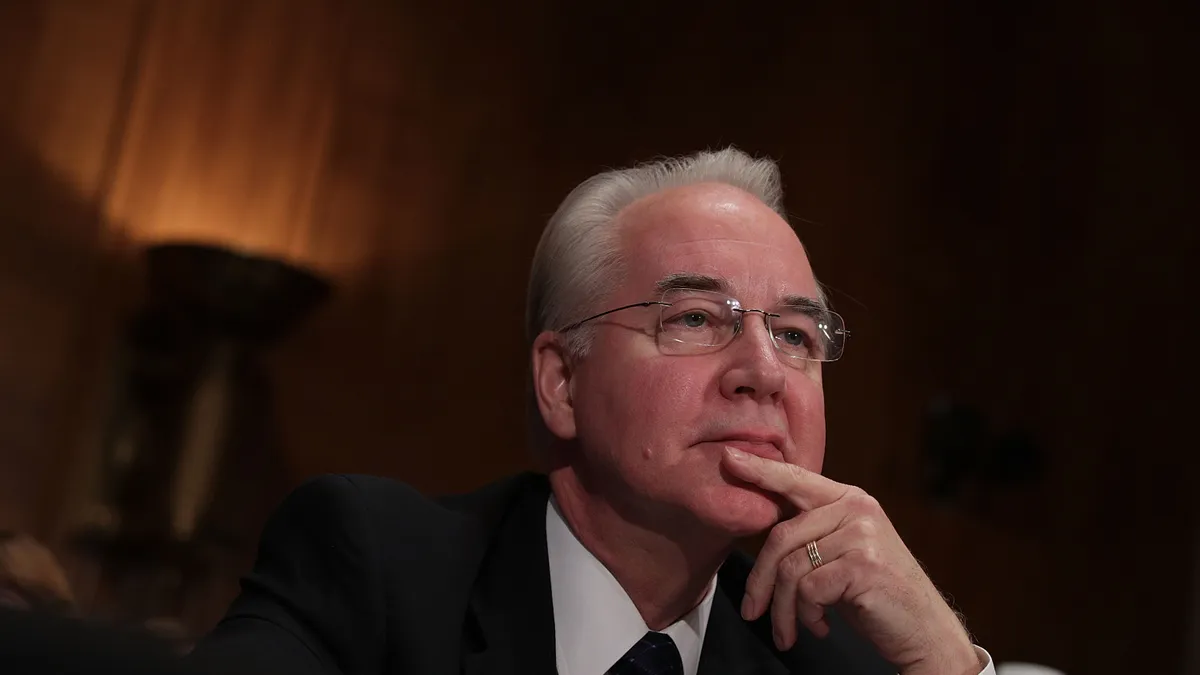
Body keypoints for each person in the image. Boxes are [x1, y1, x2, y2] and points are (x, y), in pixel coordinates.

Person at [189, 148, 995, 675]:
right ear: (561, 382)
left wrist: (949, 663)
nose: (762, 371)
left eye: (793, 333)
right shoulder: (376, 568)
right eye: (696, 320)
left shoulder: (831, 661)